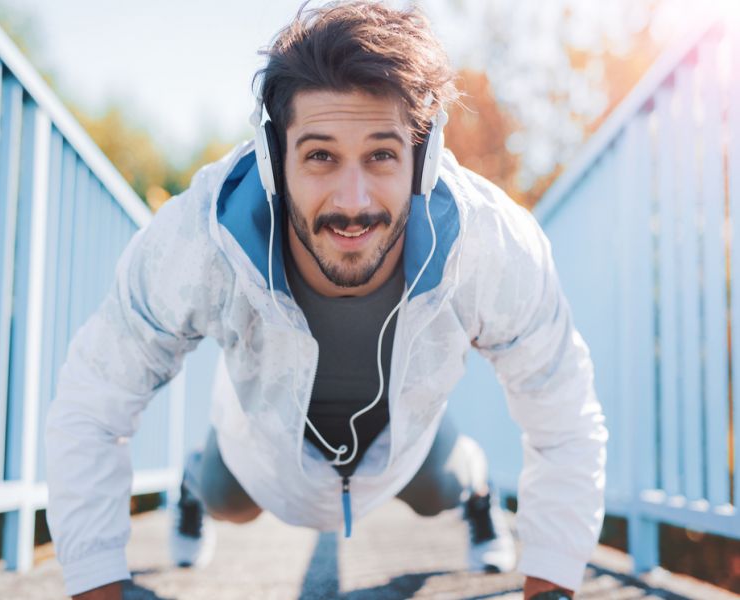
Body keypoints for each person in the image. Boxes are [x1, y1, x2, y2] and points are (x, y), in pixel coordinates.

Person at [45, 2, 607, 599]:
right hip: (259, 451)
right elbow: (93, 401)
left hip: (403, 449)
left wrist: (551, 580)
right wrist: (95, 581)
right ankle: (193, 483)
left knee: (445, 485)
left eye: (381, 155)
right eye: (319, 156)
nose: (353, 199)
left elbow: (562, 408)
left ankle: (478, 495)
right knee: (223, 496)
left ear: (424, 158)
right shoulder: (200, 237)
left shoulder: (490, 243)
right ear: (272, 158)